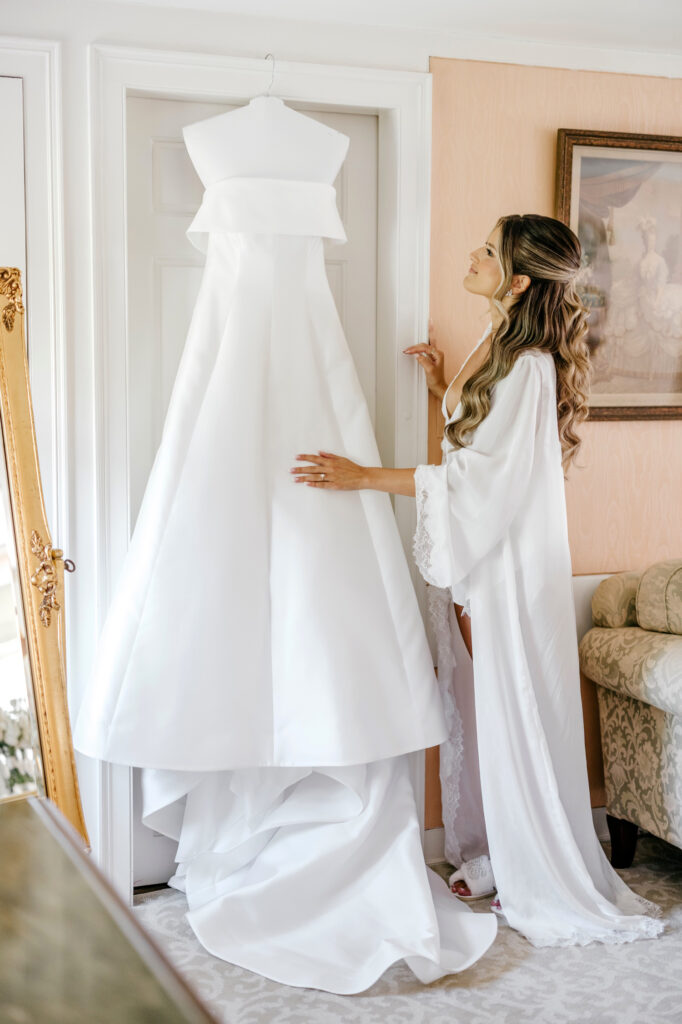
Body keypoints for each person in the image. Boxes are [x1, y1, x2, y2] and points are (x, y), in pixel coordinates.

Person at [292, 213, 665, 948]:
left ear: (519, 279)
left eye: (487, 252)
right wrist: (444, 387)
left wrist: (361, 477)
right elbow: (480, 442)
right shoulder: (500, 343)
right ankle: (502, 850)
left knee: (512, 708)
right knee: (485, 705)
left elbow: (481, 483)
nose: (472, 255)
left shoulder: (528, 366)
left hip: (508, 566)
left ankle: (536, 866)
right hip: (486, 561)